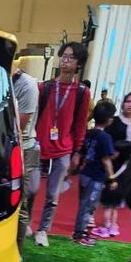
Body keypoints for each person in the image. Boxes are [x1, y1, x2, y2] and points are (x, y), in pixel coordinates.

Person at [32, 42, 92, 247]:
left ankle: (43, 230)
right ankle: (26, 224)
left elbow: (81, 124)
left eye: (71, 57)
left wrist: (77, 151)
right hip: (38, 145)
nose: (65, 60)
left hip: (64, 149)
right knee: (31, 189)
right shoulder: (45, 87)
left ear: (79, 64)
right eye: (63, 56)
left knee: (52, 194)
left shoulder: (82, 92)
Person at [92, 92, 131, 238]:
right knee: (110, 193)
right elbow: (107, 140)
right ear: (123, 103)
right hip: (113, 163)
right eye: (128, 101)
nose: (130, 104)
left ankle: (112, 225)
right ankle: (107, 225)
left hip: (130, 165)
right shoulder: (115, 121)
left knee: (118, 197)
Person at [72, 102, 117, 246]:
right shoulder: (105, 137)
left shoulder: (89, 133)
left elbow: (81, 153)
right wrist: (112, 178)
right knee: (89, 206)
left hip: (85, 173)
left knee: (84, 204)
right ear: (109, 119)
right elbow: (106, 160)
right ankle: (79, 234)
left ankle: (81, 231)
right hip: (95, 176)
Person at [12, 68, 40, 254]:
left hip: (23, 150)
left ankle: (17, 252)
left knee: (20, 204)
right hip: (5, 147)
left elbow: (19, 127)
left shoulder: (27, 85)